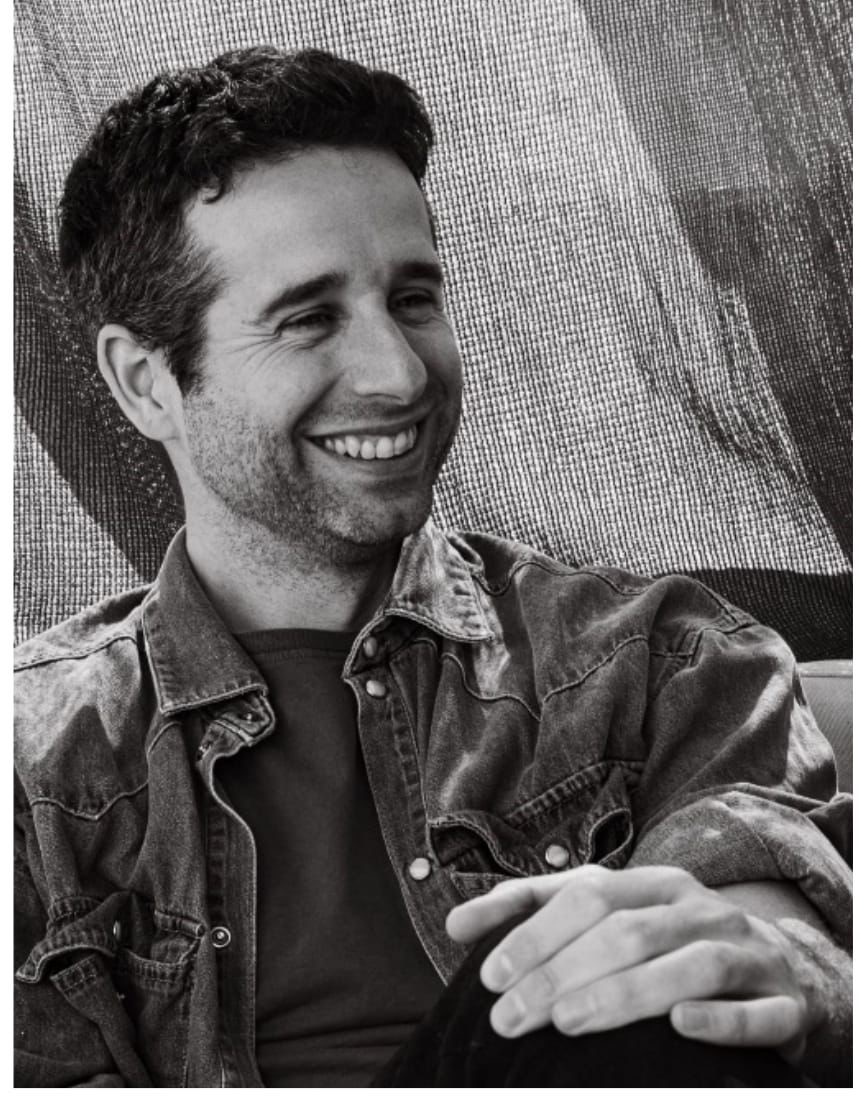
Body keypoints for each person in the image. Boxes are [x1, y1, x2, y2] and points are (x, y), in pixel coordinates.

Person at [14, 46, 851, 1088]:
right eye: (309, 318)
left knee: (622, 975)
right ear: (146, 383)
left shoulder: (661, 663)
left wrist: (787, 970)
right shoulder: (35, 773)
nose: (399, 372)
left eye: (412, 299)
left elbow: (757, 930)